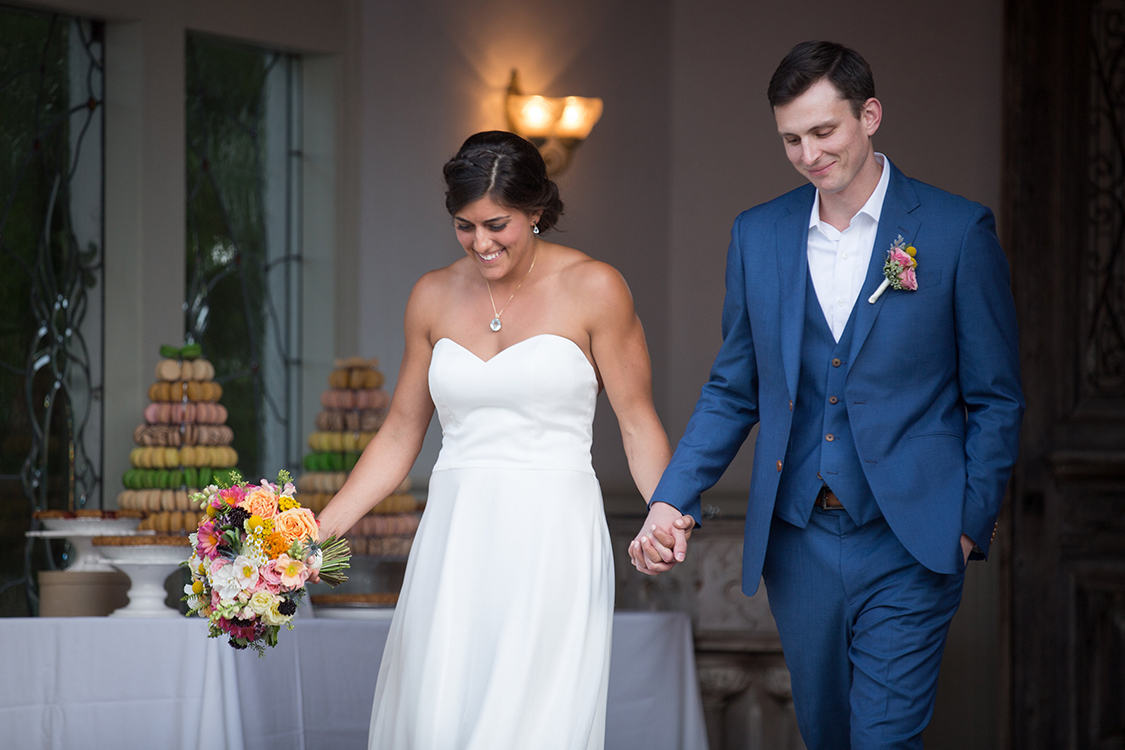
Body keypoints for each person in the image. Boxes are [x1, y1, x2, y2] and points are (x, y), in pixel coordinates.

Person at [629, 41, 1024, 749]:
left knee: (882, 739)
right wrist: (669, 497)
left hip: (911, 540)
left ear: (868, 115)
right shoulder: (757, 235)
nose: (809, 153)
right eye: (790, 138)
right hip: (799, 540)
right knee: (826, 734)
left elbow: (995, 398)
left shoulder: (955, 231)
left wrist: (965, 522)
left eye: (823, 131)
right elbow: (732, 388)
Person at [316, 130, 673, 749]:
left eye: (497, 224)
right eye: (464, 226)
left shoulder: (596, 288)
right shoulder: (431, 294)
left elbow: (638, 421)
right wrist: (313, 534)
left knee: (530, 722)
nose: (481, 243)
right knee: (437, 717)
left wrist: (666, 513)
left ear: (537, 211)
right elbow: (400, 434)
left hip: (553, 536)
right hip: (455, 538)